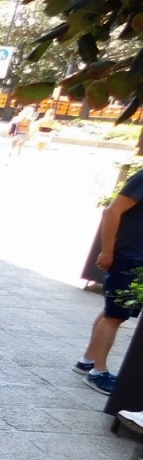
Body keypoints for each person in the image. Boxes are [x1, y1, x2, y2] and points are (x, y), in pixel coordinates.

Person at [73, 165, 143, 394]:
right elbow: (112, 212)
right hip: (130, 257)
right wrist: (107, 250)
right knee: (115, 315)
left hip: (134, 257)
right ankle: (97, 372)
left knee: (112, 311)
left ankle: (88, 361)